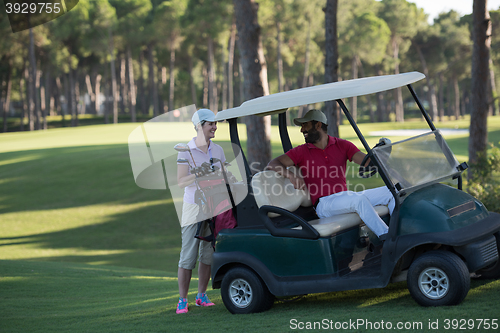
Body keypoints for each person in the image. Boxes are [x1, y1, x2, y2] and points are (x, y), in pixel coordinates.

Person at [265, 109, 395, 239]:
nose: (302, 130)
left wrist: (383, 151)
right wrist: (291, 175)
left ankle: (399, 231)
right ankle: (388, 238)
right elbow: (273, 163)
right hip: (324, 204)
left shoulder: (342, 145)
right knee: (359, 200)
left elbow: (367, 163)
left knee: (391, 191)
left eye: (305, 125)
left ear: (318, 125)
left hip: (345, 196)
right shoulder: (301, 151)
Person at [175, 109, 225, 314]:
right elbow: (180, 182)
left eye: (215, 124)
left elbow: (223, 175)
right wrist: (200, 173)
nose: (214, 127)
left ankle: (201, 295)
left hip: (214, 204)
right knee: (188, 255)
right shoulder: (185, 150)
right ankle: (182, 300)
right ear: (199, 126)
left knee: (208, 254)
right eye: (210, 124)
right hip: (193, 206)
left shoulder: (218, 149)